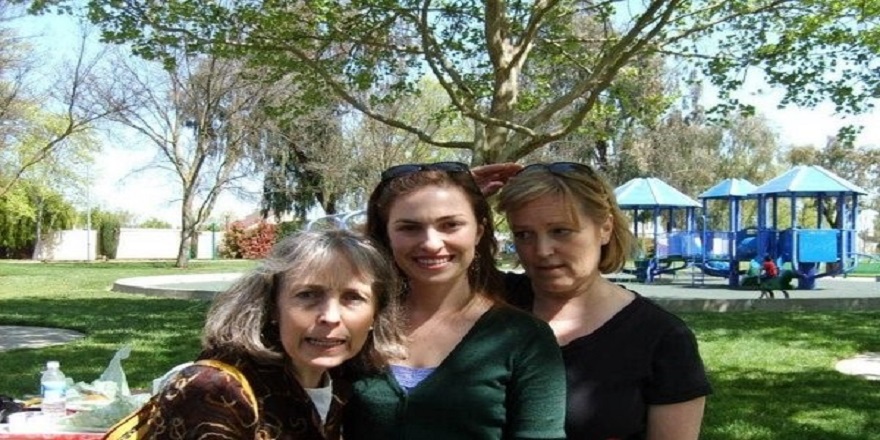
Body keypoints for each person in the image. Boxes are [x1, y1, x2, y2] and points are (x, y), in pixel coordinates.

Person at [484, 162, 711, 440]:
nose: (541, 250)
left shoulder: (663, 339)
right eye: (524, 234)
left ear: (605, 227)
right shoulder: (489, 302)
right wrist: (455, 193)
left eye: (560, 231)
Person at [344, 161, 567, 440]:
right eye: (409, 227)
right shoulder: (357, 322)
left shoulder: (523, 337)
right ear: (386, 235)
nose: (431, 243)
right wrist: (436, 186)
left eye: (450, 225)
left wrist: (450, 188)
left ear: (479, 231)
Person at [124, 230, 405, 439]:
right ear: (272, 307)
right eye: (308, 295)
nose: (330, 317)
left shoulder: (343, 380)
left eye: (353, 298)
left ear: (375, 314)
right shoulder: (213, 390)